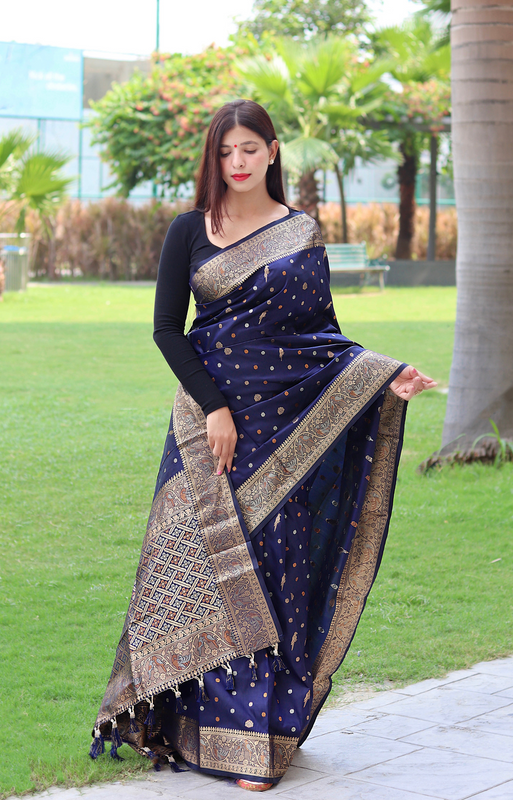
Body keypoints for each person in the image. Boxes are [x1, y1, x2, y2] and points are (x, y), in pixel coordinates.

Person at [90, 99, 436, 791]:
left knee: (274, 570)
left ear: (272, 151)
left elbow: (319, 337)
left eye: (250, 148)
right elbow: (166, 330)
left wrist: (383, 374)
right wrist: (215, 407)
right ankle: (183, 725)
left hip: (286, 426)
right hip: (207, 426)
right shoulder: (190, 230)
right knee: (197, 571)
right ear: (214, 159)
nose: (238, 162)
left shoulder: (300, 232)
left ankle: (260, 740)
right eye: (226, 152)